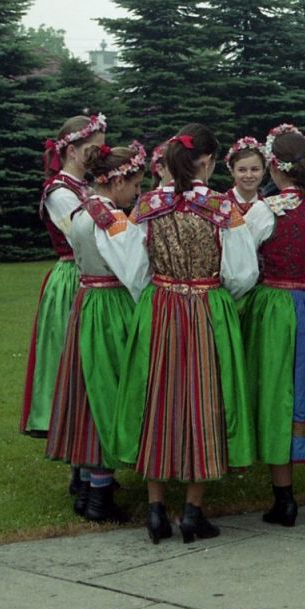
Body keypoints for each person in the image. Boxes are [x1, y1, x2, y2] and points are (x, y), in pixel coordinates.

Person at [113, 124, 259, 544]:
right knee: (203, 400)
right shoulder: (221, 208)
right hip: (206, 307)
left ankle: (156, 509)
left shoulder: (146, 205)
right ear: (210, 162)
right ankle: (194, 510)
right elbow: (243, 274)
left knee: (157, 396)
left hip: (159, 306)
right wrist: (211, 292)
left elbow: (132, 270)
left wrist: (160, 290)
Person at [242, 127, 305, 526]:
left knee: (278, 393)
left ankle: (284, 499)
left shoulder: (264, 211)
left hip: (277, 306)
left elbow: (242, 264)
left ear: (273, 166)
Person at [45, 143, 150, 522]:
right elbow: (134, 272)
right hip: (110, 306)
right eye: (135, 184)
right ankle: (100, 497)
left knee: (90, 392)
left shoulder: (83, 208)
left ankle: (89, 489)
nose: (137, 192)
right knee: (110, 393)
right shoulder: (112, 220)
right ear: (117, 179)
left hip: (87, 301)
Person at [22, 114, 103, 499]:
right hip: (73, 277)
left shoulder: (86, 186)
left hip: (91, 276)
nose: (99, 155)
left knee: (90, 369)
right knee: (73, 368)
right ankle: (80, 466)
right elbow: (80, 238)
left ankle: (88, 463)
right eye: (93, 149)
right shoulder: (60, 192)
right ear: (71, 150)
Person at [225, 136, 266, 215]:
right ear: (232, 172)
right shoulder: (219, 204)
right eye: (242, 170)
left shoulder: (269, 207)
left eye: (254, 169)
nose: (249, 175)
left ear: (263, 171)